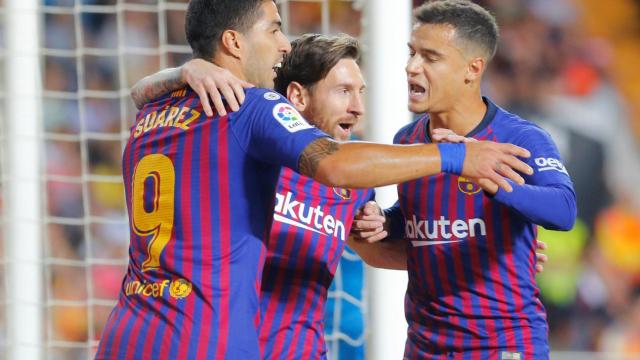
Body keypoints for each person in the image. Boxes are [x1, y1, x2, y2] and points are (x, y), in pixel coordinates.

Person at [95, 1, 534, 359]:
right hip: (207, 338)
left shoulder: (152, 111)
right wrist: (456, 155)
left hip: (130, 330)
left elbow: (378, 249)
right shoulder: (254, 111)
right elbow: (334, 162)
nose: (282, 44)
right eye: (273, 29)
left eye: (361, 92)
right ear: (234, 41)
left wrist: (489, 246)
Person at [352, 1, 577, 358]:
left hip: (501, 344)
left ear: (472, 69)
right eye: (412, 53)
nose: (412, 67)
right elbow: (418, 219)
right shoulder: (407, 140)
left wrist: (492, 179)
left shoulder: (519, 139)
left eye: (430, 57)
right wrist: (384, 222)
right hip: (426, 346)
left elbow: (563, 211)